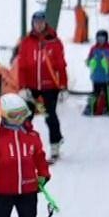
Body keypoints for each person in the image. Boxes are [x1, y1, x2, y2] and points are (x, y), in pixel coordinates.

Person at [11, 9, 68, 159]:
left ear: (45, 23)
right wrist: (22, 87)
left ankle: (55, 144)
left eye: (41, 22)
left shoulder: (54, 42)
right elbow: (22, 66)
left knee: (50, 115)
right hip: (31, 86)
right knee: (26, 116)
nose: (39, 25)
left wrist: (63, 86)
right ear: (33, 23)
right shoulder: (27, 42)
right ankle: (25, 147)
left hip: (50, 86)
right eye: (36, 22)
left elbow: (61, 66)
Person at [85, 30, 109, 116]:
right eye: (99, 38)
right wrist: (90, 62)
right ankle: (92, 109)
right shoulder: (94, 49)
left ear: (106, 39)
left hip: (107, 77)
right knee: (95, 94)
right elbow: (89, 60)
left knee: (108, 95)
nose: (100, 40)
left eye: (102, 38)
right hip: (96, 77)